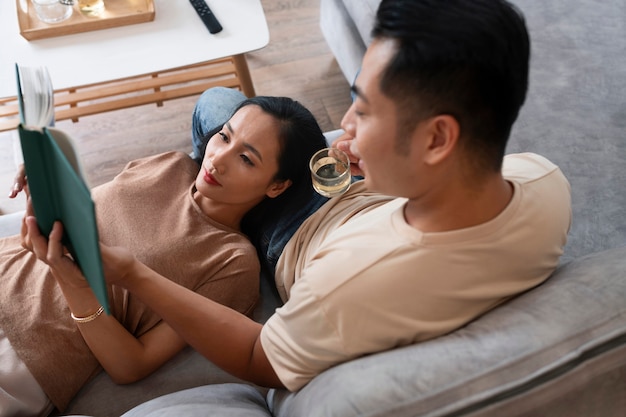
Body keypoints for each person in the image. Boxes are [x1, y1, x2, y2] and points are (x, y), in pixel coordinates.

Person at [28, 0, 571, 399]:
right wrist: (376, 174)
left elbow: (257, 357)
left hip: (298, 233)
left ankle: (225, 160)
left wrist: (134, 273)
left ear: (436, 139)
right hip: (370, 194)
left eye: (363, 110)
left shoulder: (356, 278)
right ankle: (227, 154)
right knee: (225, 107)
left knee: (218, 109)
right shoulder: (544, 183)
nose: (345, 128)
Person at [1, 96, 327, 416]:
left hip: (24, 354)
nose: (217, 159)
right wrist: (44, 186)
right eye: (224, 136)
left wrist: (66, 276)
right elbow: (85, 212)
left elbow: (131, 365)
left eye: (246, 159)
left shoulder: (233, 262)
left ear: (277, 186)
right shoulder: (171, 163)